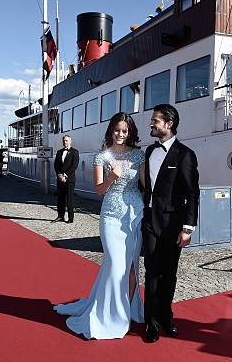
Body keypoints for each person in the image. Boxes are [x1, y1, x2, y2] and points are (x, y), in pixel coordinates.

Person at [54, 113, 145, 339]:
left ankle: (127, 311)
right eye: (117, 130)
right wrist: (112, 177)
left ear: (130, 132)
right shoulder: (101, 157)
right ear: (111, 130)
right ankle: (110, 315)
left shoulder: (139, 155)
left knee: (132, 265)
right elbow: (98, 190)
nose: (121, 134)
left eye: (125, 131)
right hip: (111, 216)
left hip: (135, 215)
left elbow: (146, 185)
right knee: (115, 263)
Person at [142, 104, 199, 343]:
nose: (151, 124)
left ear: (169, 123)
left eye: (155, 120)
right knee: (152, 272)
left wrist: (187, 228)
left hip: (172, 225)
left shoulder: (185, 155)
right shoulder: (149, 151)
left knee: (169, 274)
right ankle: (151, 323)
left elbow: (193, 195)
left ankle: (166, 316)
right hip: (149, 221)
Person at [52, 135, 79, 223]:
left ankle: (70, 218)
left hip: (70, 180)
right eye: (64, 141)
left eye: (66, 141)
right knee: (60, 199)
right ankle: (60, 216)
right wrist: (59, 175)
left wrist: (65, 175)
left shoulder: (75, 152)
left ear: (70, 141)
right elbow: (56, 165)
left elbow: (74, 166)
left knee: (69, 200)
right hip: (60, 179)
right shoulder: (59, 152)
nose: (65, 142)